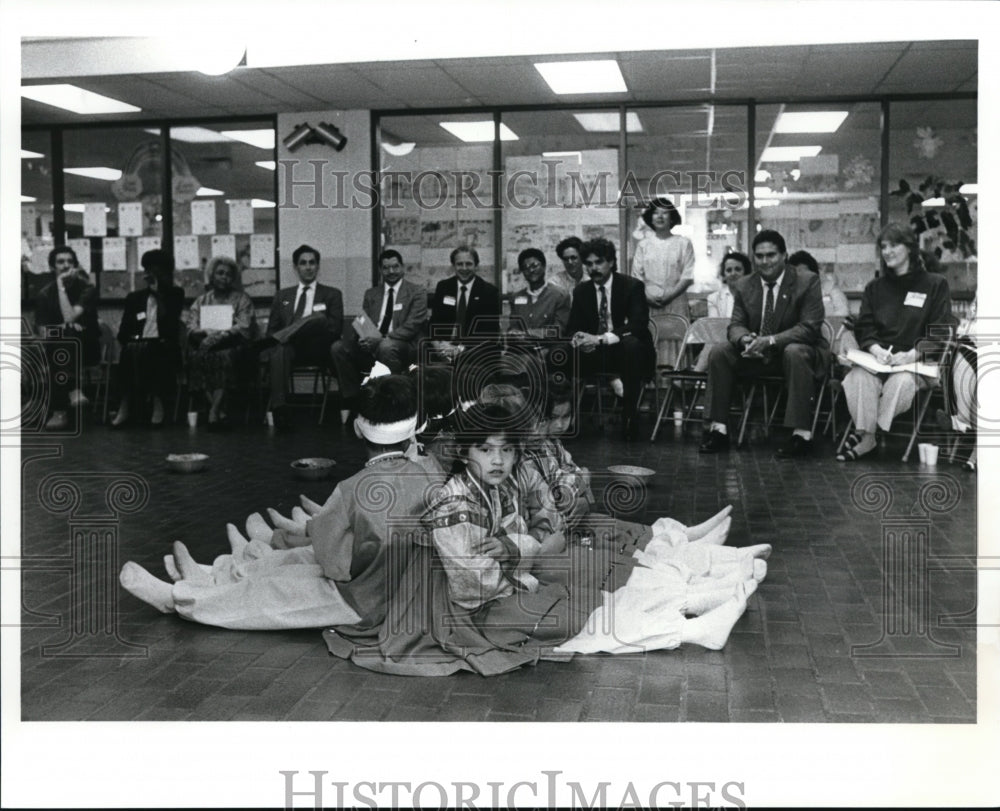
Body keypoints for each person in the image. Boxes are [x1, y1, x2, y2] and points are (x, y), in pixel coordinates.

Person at [323, 403, 766, 676]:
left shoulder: (493, 486)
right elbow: (473, 584)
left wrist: (519, 551)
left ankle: (697, 594)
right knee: (584, 613)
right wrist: (526, 570)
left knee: (593, 594)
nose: (499, 459)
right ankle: (688, 626)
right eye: (485, 449)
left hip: (503, 585)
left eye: (506, 449)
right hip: (469, 614)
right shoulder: (452, 504)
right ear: (464, 452)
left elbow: (526, 534)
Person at [118, 374, 446, 630]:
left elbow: (332, 564)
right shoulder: (430, 473)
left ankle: (179, 599)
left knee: (268, 594)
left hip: (362, 601)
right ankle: (211, 575)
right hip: (398, 589)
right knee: (293, 563)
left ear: (359, 430)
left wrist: (338, 542)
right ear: (414, 430)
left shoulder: (350, 489)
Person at [699, 229, 828, 458]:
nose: (765, 261)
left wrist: (770, 340)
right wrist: (744, 339)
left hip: (797, 353)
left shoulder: (806, 281)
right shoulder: (744, 284)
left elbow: (809, 327)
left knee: (794, 351)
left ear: (784, 255)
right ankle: (718, 430)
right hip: (757, 356)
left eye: (771, 255)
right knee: (720, 352)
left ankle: (801, 435)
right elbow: (735, 325)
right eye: (759, 256)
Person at [836, 223, 952, 461]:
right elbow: (865, 326)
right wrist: (876, 350)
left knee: (901, 383)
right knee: (857, 377)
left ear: (909, 248)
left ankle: (867, 434)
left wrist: (912, 354)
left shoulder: (935, 284)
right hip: (879, 360)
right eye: (883, 247)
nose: (887, 251)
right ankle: (868, 437)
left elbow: (941, 331)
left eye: (893, 245)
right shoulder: (875, 288)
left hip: (915, 363)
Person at [567, 237, 655, 440]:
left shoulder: (632, 286)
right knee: (558, 353)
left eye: (598, 262)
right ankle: (559, 418)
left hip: (624, 350)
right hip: (594, 353)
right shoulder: (582, 291)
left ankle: (630, 417)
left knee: (631, 345)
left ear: (612, 262)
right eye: (588, 264)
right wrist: (579, 339)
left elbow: (638, 324)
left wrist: (600, 339)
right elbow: (572, 327)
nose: (593, 268)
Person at [331, 249, 427, 424]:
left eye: (395, 266)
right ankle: (354, 399)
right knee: (339, 348)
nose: (391, 272)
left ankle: (389, 402)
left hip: (404, 346)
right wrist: (363, 338)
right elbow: (363, 322)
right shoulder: (371, 294)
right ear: (380, 270)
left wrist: (381, 340)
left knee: (386, 347)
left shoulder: (417, 292)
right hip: (373, 344)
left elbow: (412, 326)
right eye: (386, 268)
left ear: (403, 267)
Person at [258, 244, 343, 429]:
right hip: (290, 348)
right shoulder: (283, 296)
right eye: (303, 263)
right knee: (279, 348)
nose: (308, 267)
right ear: (296, 267)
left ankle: (290, 332)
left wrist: (305, 323)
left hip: (317, 348)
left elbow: (335, 329)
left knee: (318, 317)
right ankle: (280, 410)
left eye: (312, 263)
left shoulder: (332, 294)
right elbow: (271, 331)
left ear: (318, 266)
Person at [111, 249, 184, 428]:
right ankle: (125, 405)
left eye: (157, 270)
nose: (152, 273)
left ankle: (158, 404)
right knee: (129, 352)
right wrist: (133, 340)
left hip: (164, 345)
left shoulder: (175, 295)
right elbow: (123, 332)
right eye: (149, 269)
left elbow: (170, 323)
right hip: (138, 345)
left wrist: (157, 292)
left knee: (155, 351)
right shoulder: (134, 298)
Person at [186, 255, 257, 429]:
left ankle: (213, 410)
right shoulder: (201, 301)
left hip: (233, 346)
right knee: (195, 357)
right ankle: (218, 411)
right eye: (220, 273)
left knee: (224, 356)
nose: (224, 277)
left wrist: (219, 336)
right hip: (205, 344)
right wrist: (204, 332)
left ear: (233, 278)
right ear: (212, 275)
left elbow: (244, 326)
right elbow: (191, 325)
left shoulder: (242, 299)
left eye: (228, 274)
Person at [33, 246, 100, 431]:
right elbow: (44, 333)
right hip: (57, 348)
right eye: (60, 262)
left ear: (76, 266)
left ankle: (59, 411)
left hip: (87, 346)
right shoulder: (44, 294)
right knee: (63, 338)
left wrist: (61, 288)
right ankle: (73, 390)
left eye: (70, 262)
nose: (65, 265)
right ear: (52, 267)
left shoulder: (87, 288)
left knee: (68, 332)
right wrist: (62, 328)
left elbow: (70, 315)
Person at [631, 198, 696, 366]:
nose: (660, 216)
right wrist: (648, 298)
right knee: (654, 338)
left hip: (676, 300)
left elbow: (687, 276)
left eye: (665, 213)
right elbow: (636, 277)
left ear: (672, 217)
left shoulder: (683, 243)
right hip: (650, 303)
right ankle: (655, 387)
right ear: (650, 218)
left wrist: (669, 296)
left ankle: (678, 386)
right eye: (656, 213)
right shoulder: (643, 245)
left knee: (677, 339)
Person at [503, 248, 571, 381]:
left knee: (535, 367)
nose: (531, 270)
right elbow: (514, 327)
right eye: (526, 267)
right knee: (501, 367)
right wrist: (512, 333)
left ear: (544, 266)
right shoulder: (517, 297)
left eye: (535, 265)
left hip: (548, 350)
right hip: (521, 349)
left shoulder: (559, 295)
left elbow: (558, 331)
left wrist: (527, 333)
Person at [427, 246, 501, 362]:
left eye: (469, 264)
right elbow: (434, 322)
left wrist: (460, 349)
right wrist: (438, 347)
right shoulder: (443, 287)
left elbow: (489, 331)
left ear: (476, 266)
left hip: (473, 348)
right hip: (445, 346)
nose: (464, 268)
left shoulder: (489, 291)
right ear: (453, 266)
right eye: (459, 264)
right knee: (419, 357)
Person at [789, 249, 849, 318]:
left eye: (805, 274)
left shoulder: (830, 289)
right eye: (797, 274)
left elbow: (843, 313)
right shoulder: (786, 292)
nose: (802, 278)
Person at [707, 251, 752, 319]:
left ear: (746, 272)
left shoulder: (755, 296)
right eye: (729, 270)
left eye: (738, 269)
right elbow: (714, 326)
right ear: (724, 274)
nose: (733, 273)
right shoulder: (714, 298)